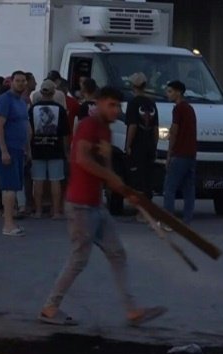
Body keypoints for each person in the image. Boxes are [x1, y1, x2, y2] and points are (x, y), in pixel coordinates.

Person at [38, 86, 167, 327]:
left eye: (119, 106)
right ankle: (50, 307)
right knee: (79, 259)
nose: (116, 110)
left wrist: (126, 191)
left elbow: (107, 172)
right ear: (98, 103)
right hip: (80, 206)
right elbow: (82, 159)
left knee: (117, 253)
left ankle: (132, 311)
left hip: (96, 205)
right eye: (111, 105)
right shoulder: (88, 125)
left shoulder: (105, 130)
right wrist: (112, 177)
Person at [0, 70, 32, 236]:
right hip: (7, 148)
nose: (21, 83)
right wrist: (3, 150)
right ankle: (8, 225)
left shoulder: (22, 102)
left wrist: (27, 149)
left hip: (18, 149)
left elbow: (25, 126)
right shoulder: (4, 101)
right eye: (18, 80)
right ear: (11, 82)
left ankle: (11, 222)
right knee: (9, 187)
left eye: (24, 81)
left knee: (15, 187)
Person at [29, 80, 70, 219]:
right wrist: (66, 151)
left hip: (37, 148)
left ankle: (39, 211)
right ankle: (56, 211)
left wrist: (29, 148)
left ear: (41, 92)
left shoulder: (32, 109)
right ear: (54, 92)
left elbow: (28, 131)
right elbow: (65, 134)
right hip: (56, 149)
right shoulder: (60, 109)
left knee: (38, 180)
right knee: (55, 180)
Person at [162, 80, 197, 225]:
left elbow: (174, 130)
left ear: (178, 92)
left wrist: (169, 153)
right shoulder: (190, 108)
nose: (168, 94)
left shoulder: (178, 109)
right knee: (188, 189)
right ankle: (187, 219)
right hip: (190, 153)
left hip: (179, 153)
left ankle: (167, 220)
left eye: (170, 91)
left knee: (169, 188)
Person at [125, 72, 159, 214]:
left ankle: (141, 211)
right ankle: (148, 207)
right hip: (150, 145)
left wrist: (128, 144)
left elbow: (132, 126)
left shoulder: (133, 103)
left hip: (137, 145)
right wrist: (155, 145)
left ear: (133, 86)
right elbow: (156, 128)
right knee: (148, 178)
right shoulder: (152, 103)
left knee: (137, 178)